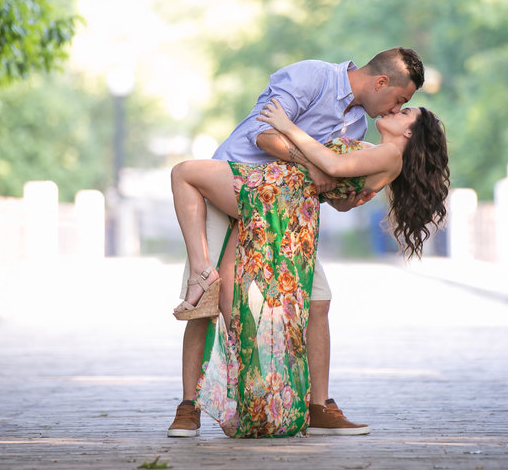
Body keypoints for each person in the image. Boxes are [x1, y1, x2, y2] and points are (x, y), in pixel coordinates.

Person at [166, 47, 427, 438]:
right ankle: (190, 406)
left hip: (285, 212)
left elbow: (329, 188)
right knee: (209, 299)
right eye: (400, 100)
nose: (395, 109)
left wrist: (348, 196)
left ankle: (316, 406)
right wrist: (312, 165)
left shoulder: (357, 126)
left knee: (318, 300)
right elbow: (264, 133)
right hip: (232, 189)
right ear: (381, 82)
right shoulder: (311, 77)